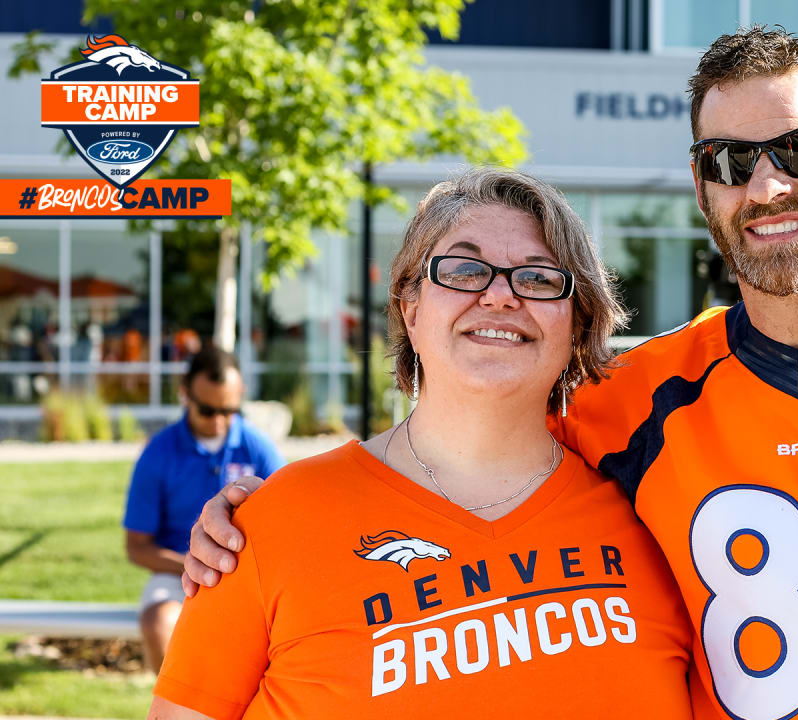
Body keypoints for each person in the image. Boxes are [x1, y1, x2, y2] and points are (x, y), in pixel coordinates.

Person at [186, 28, 798, 719]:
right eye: (727, 160)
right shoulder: (635, 401)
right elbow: (462, 444)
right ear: (700, 186)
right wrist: (255, 511)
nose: (765, 185)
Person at [149, 169, 693, 719]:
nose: (500, 295)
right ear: (410, 309)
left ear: (578, 321)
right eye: (463, 269)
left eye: (537, 278)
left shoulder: (658, 521)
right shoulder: (269, 525)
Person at [123, 346, 285, 674]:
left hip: (248, 576)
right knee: (158, 621)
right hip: (176, 574)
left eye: (229, 410)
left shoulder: (260, 448)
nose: (219, 421)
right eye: (208, 410)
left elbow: (288, 525)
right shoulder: (157, 454)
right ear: (185, 395)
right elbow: (136, 547)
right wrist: (194, 565)